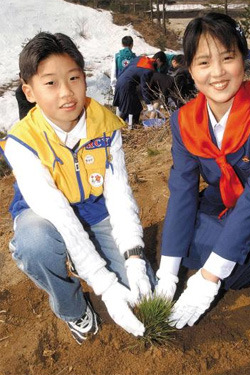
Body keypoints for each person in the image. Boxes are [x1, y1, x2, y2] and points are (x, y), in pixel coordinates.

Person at [0, 32, 156, 345]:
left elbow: (120, 196)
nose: (67, 93)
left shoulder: (105, 125)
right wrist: (105, 285)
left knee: (142, 292)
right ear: (29, 91)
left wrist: (135, 258)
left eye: (74, 77)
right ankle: (73, 309)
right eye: (51, 83)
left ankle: (86, 255)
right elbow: (57, 212)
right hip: (43, 215)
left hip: (94, 210)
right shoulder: (21, 141)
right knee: (36, 243)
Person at [155, 12, 250, 329]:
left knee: (222, 257)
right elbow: (182, 193)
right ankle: (231, 254)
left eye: (227, 58)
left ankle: (232, 259)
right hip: (223, 201)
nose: (218, 73)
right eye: (204, 62)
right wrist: (167, 275)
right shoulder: (183, 122)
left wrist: (209, 277)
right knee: (178, 244)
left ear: (243, 59)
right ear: (191, 70)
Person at [113, 55, 156, 128]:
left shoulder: (140, 59)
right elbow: (144, 87)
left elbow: (125, 68)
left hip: (120, 81)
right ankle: (117, 128)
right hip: (127, 86)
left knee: (136, 107)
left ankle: (134, 126)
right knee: (126, 109)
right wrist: (148, 103)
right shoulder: (147, 71)